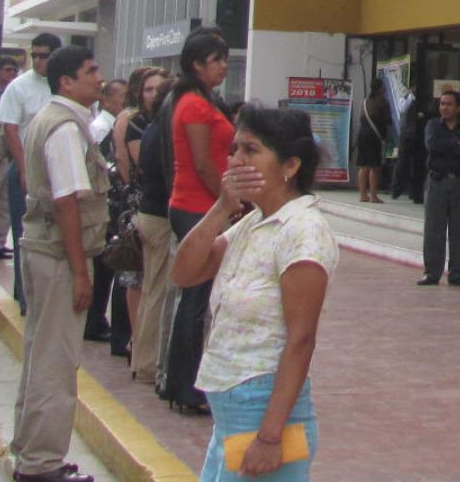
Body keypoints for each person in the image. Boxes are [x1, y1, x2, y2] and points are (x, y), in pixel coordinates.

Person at [173, 107, 338, 482]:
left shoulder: (303, 231)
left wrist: (268, 437)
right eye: (234, 149)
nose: (235, 160)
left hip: (264, 414)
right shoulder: (254, 221)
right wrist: (221, 208)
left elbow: (301, 339)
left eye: (251, 150)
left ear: (290, 166)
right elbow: (184, 272)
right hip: (231, 415)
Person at [9, 44, 107, 482]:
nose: (98, 78)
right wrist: (81, 271)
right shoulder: (65, 127)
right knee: (55, 361)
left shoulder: (50, 120)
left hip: (42, 249)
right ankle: (42, 463)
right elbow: (68, 202)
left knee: (39, 354)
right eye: (90, 71)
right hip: (59, 256)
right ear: (67, 81)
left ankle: (31, 451)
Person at [164, 28, 235, 414]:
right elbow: (203, 162)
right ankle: (185, 386)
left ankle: (184, 384)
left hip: (203, 206)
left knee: (196, 301)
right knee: (194, 300)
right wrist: (227, 204)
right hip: (196, 206)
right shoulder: (192, 104)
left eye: (224, 59)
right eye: (216, 60)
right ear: (196, 65)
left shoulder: (202, 100)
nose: (223, 66)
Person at [0, 33, 64, 308]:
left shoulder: (65, 84)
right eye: (34, 55)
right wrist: (25, 168)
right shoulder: (19, 87)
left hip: (60, 168)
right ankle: (26, 298)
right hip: (27, 168)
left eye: (44, 55)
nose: (38, 60)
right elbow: (9, 128)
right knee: (25, 234)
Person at [108, 67, 164, 366]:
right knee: (134, 276)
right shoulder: (134, 123)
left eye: (159, 88)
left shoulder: (165, 120)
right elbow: (133, 169)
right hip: (141, 205)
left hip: (159, 207)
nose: (154, 94)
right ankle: (134, 340)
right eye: (148, 89)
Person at [132, 76, 177, 388]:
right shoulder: (163, 133)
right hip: (160, 218)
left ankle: (143, 360)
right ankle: (148, 364)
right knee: (158, 291)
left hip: (149, 215)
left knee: (151, 290)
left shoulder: (151, 129)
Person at [85, 78, 128, 346]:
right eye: (122, 96)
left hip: (108, 206)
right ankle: (94, 320)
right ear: (107, 100)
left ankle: (96, 319)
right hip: (104, 205)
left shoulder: (112, 125)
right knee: (102, 267)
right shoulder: (102, 129)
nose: (127, 101)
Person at [419, 88, 460, 286]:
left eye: (449, 104)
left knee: (459, 229)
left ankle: (457, 273)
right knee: (434, 228)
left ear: (458, 107)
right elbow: (433, 146)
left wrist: (450, 145)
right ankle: (432, 272)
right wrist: (455, 144)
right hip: (437, 181)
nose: (444, 108)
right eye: (442, 104)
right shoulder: (432, 125)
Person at [0, 59, 21, 260]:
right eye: (8, 69)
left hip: (9, 156)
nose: (12, 73)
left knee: (5, 203)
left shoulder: (15, 94)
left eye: (15, 70)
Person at [354, 81, 389, 204]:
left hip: (362, 134)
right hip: (374, 136)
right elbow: (387, 121)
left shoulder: (365, 101)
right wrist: (385, 138)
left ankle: (363, 195)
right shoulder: (382, 102)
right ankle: (373, 196)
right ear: (380, 89)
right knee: (374, 166)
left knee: (364, 166)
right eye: (383, 87)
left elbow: (361, 118)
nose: (385, 89)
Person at [390, 85, 426, 203]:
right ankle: (396, 189)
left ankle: (415, 192)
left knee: (417, 164)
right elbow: (403, 109)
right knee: (402, 163)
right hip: (406, 135)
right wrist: (411, 96)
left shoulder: (423, 101)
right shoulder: (405, 99)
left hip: (418, 135)